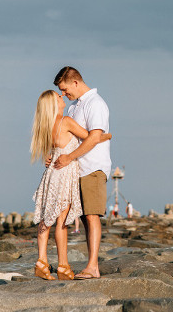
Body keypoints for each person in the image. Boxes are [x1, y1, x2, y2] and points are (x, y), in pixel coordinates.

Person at [30, 90, 112, 280]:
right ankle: (63, 266)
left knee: (45, 218)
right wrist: (108, 135)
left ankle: (41, 261)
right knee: (61, 221)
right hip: (65, 173)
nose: (62, 96)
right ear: (53, 103)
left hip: (51, 174)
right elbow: (91, 137)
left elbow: (52, 151)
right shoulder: (65, 121)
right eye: (58, 96)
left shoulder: (46, 125)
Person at [51, 66, 110, 280]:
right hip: (76, 169)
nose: (65, 95)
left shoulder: (96, 103)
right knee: (85, 217)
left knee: (92, 215)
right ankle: (89, 264)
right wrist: (55, 155)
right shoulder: (74, 107)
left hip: (93, 166)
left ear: (75, 82)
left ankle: (93, 266)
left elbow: (94, 137)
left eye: (66, 90)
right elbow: (69, 138)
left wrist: (69, 157)